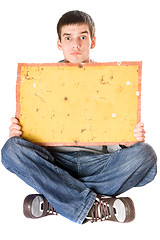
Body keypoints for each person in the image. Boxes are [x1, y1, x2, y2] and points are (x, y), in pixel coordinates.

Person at [1, 10, 157, 224]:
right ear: (59, 43)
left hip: (99, 163)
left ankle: (58, 198)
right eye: (68, 38)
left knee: (145, 155)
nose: (76, 44)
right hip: (57, 161)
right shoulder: (40, 82)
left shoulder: (111, 82)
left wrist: (126, 141)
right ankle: (94, 205)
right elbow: (29, 142)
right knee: (11, 150)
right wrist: (20, 135)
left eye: (82, 37)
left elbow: (120, 144)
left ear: (92, 42)